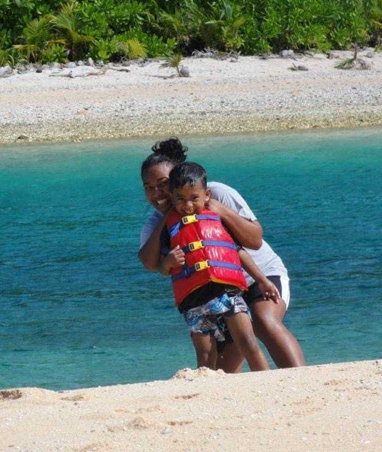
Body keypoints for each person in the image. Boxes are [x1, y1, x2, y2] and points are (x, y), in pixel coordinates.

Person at [139, 137, 306, 371]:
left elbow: (255, 240)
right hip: (214, 295)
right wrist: (167, 218)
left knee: (262, 322)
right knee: (221, 369)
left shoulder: (215, 193)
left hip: (258, 276)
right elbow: (149, 263)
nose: (157, 193)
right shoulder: (157, 223)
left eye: (163, 184)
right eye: (149, 187)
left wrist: (221, 211)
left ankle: (301, 380)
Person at [159, 161, 269, 371]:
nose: (188, 205)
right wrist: (167, 262)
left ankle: (269, 383)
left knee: (247, 342)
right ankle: (207, 394)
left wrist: (262, 281)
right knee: (206, 354)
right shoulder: (168, 229)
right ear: (172, 198)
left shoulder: (216, 218)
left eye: (194, 198)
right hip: (193, 300)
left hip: (227, 292)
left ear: (207, 195)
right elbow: (163, 269)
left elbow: (237, 251)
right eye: (180, 199)